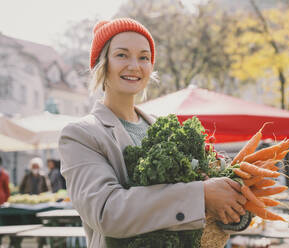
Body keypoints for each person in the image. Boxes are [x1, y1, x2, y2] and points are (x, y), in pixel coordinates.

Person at [58, 18, 247, 247]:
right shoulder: (81, 135)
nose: (134, 65)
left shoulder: (166, 129)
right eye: (121, 55)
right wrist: (201, 195)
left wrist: (235, 206)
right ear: (102, 63)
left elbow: (208, 207)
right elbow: (107, 213)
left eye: (144, 57)